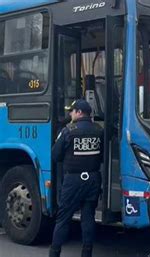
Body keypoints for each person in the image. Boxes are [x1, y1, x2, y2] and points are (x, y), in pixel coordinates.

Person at [49, 100, 103, 257]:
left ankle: (54, 253)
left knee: (63, 218)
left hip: (73, 180)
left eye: (72, 111)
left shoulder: (68, 131)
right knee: (88, 218)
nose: (70, 114)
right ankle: (87, 254)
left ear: (79, 112)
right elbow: (102, 156)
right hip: (93, 179)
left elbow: (55, 155)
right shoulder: (99, 130)